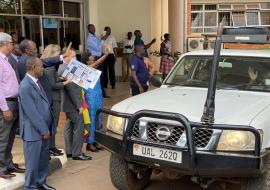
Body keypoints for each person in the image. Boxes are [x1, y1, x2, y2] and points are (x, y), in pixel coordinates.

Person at [19, 56, 55, 190]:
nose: (43, 68)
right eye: (41, 66)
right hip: (34, 131)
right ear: (34, 67)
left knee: (42, 160)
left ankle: (40, 182)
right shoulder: (25, 86)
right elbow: (31, 112)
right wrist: (43, 129)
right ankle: (30, 186)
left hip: (43, 129)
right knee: (33, 163)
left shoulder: (36, 82)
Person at [58, 49, 91, 161]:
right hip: (73, 104)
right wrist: (79, 105)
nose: (76, 59)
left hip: (67, 104)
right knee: (79, 127)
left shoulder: (62, 67)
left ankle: (69, 151)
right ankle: (77, 153)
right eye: (73, 56)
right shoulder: (67, 68)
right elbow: (72, 89)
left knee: (69, 126)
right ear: (66, 57)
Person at [0, 32, 25, 179]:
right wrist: (5, 108)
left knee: (10, 137)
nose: (13, 45)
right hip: (7, 104)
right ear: (3, 44)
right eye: (11, 43)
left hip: (13, 102)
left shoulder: (7, 60)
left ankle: (8, 164)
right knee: (3, 137)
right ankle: (1, 166)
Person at [41, 44, 71, 156]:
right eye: (57, 54)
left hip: (54, 98)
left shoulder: (50, 67)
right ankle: (50, 147)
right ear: (52, 54)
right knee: (53, 123)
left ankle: (52, 146)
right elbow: (52, 85)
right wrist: (65, 82)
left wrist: (59, 79)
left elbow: (52, 80)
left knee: (54, 123)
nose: (59, 57)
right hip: (53, 98)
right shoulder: (49, 68)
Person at [82, 45, 110, 152]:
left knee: (98, 118)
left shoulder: (93, 69)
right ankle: (90, 143)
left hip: (97, 97)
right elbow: (98, 63)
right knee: (92, 119)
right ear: (86, 62)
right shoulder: (85, 70)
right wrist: (106, 55)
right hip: (90, 98)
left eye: (94, 59)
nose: (94, 61)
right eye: (91, 60)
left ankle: (96, 141)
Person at [87, 24, 109, 98]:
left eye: (94, 28)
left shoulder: (95, 36)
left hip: (99, 57)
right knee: (98, 76)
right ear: (88, 30)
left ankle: (102, 93)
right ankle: (101, 94)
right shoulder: (89, 38)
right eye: (92, 28)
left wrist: (102, 38)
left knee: (101, 76)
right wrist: (102, 40)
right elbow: (98, 48)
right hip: (94, 59)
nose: (94, 29)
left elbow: (100, 43)